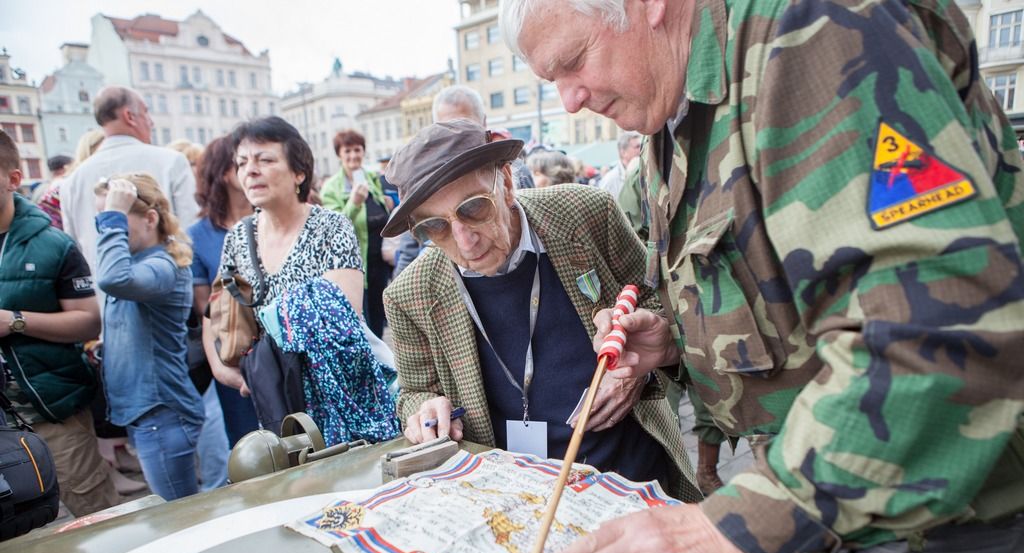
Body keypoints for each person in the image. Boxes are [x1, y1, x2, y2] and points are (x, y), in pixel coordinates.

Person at [503, 0, 1024, 553]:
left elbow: (937, 318)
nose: (568, 100)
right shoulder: (674, 117)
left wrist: (747, 525)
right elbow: (782, 279)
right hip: (836, 509)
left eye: (573, 61)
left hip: (933, 519)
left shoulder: (813, 29)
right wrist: (671, 339)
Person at [382, 119, 700, 503]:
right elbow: (414, 392)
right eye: (436, 227)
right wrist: (424, 411)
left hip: (630, 474)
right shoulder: (408, 294)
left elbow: (663, 300)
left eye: (474, 208)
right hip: (517, 498)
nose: (464, 242)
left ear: (508, 184)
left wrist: (637, 367)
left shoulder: (586, 214)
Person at [206, 117, 395, 445]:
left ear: (299, 172)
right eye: (242, 162)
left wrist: (268, 336)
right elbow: (215, 312)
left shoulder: (330, 226)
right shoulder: (238, 236)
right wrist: (225, 369)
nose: (250, 170)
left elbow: (342, 315)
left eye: (265, 160)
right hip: (278, 397)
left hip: (341, 396)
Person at [0, 130, 118, 517]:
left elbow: (87, 322)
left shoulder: (53, 245)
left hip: (51, 409)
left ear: (14, 179)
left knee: (93, 514)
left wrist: (15, 321)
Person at [94, 173, 204, 502]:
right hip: (153, 416)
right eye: (101, 217)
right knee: (178, 514)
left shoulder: (162, 265)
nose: (105, 226)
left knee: (180, 520)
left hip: (162, 416)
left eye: (114, 216)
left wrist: (112, 217)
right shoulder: (140, 262)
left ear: (150, 219)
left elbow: (112, 279)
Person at [62, 86, 198, 281]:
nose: (151, 122)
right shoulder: (171, 162)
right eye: (146, 111)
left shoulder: (72, 182)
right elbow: (190, 231)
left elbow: (75, 251)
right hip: (166, 297)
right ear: (129, 116)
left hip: (104, 301)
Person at [188, 135, 260, 451]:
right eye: (241, 161)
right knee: (248, 446)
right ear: (222, 172)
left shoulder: (269, 219)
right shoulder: (198, 235)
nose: (252, 169)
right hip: (234, 352)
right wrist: (219, 366)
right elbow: (205, 306)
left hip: (280, 352)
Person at [320, 130, 394, 338]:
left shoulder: (371, 178)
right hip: (356, 263)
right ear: (339, 154)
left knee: (379, 316)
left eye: (357, 150)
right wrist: (353, 204)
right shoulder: (331, 187)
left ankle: (383, 364)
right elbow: (333, 228)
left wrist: (385, 204)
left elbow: (380, 212)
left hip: (380, 260)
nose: (353, 155)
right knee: (364, 321)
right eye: (347, 151)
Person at [598, 132, 642, 200]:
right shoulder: (610, 181)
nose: (641, 149)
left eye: (641, 146)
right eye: (637, 147)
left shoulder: (644, 172)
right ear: (623, 152)